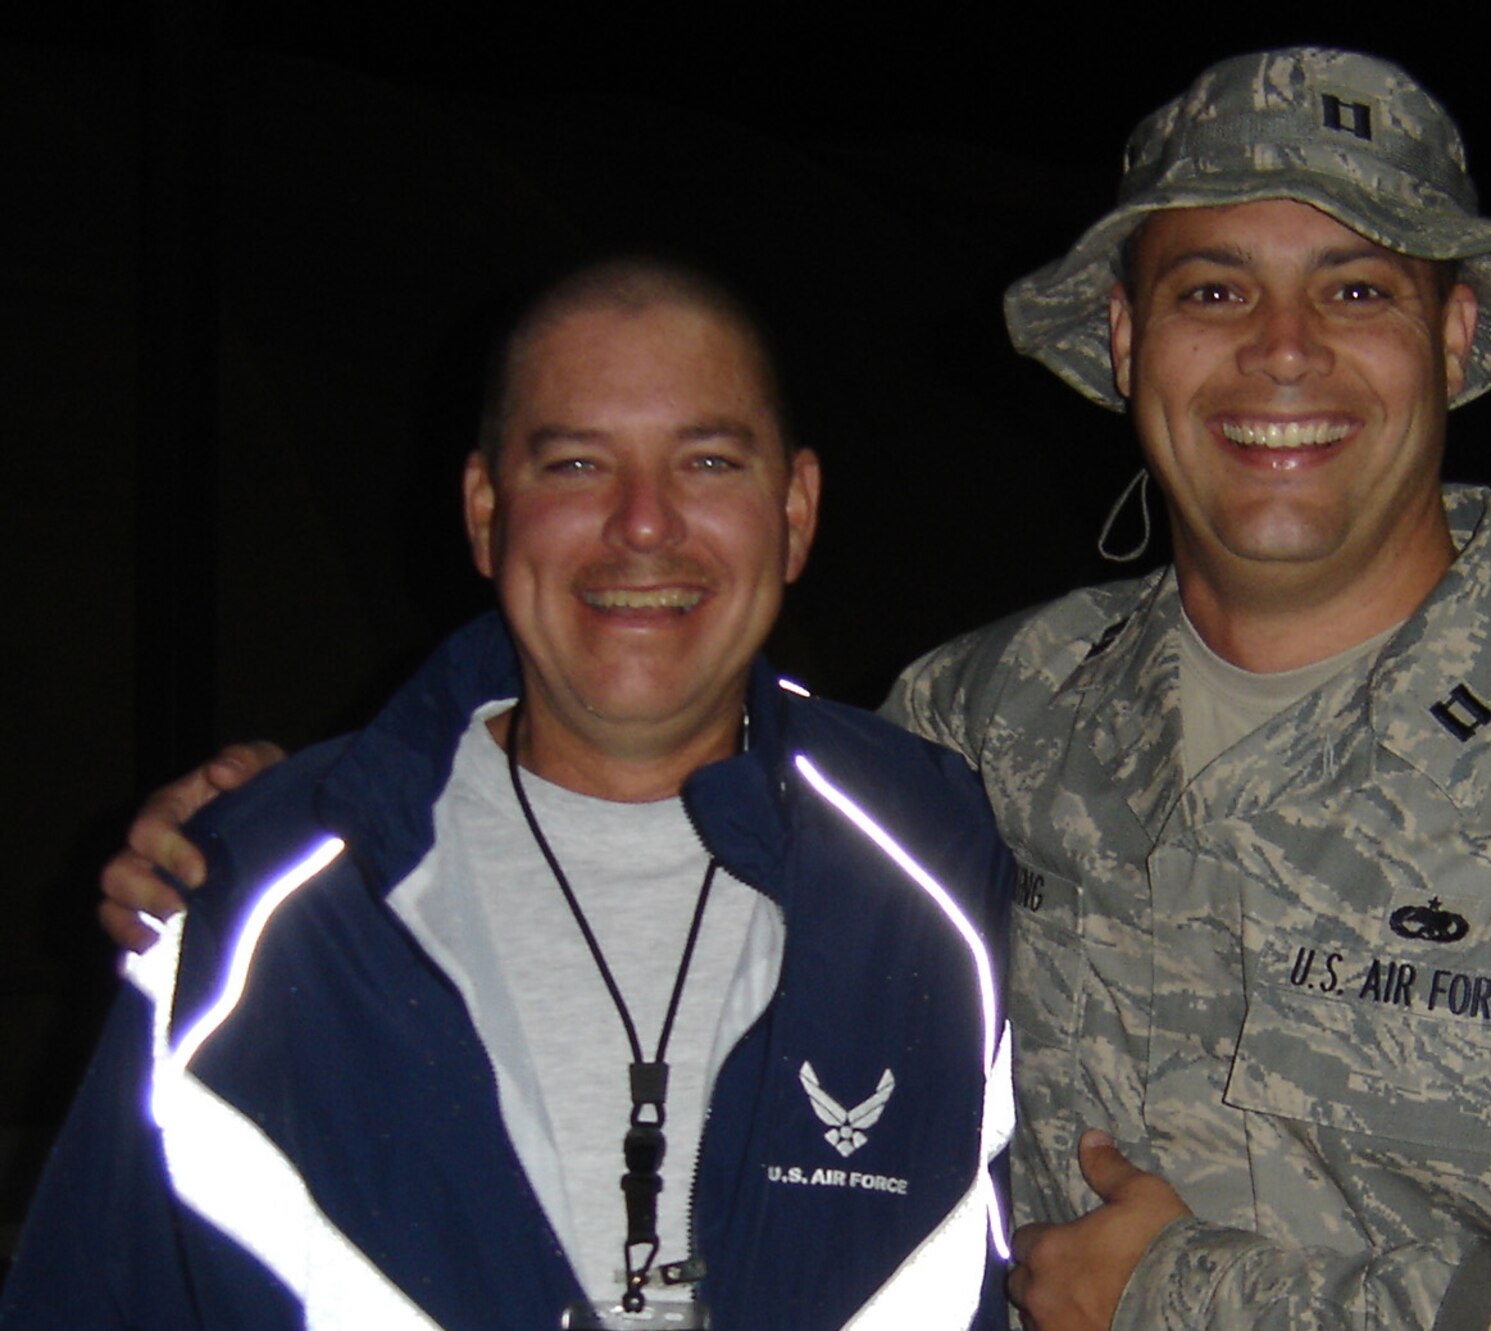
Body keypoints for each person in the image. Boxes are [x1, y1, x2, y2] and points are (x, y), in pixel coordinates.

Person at [94, 48, 1491, 1331]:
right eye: (1209, 289)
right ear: (1123, 345)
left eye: (1354, 287)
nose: (1280, 354)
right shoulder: (980, 723)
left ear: (1454, 341)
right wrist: (294, 826)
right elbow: (642, 715)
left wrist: (1202, 1299)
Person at [9, 258, 1014, 1331]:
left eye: (708, 460)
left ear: (795, 509)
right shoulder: (262, 902)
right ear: (487, 513)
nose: (641, 523)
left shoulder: (938, 863)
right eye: (577, 463)